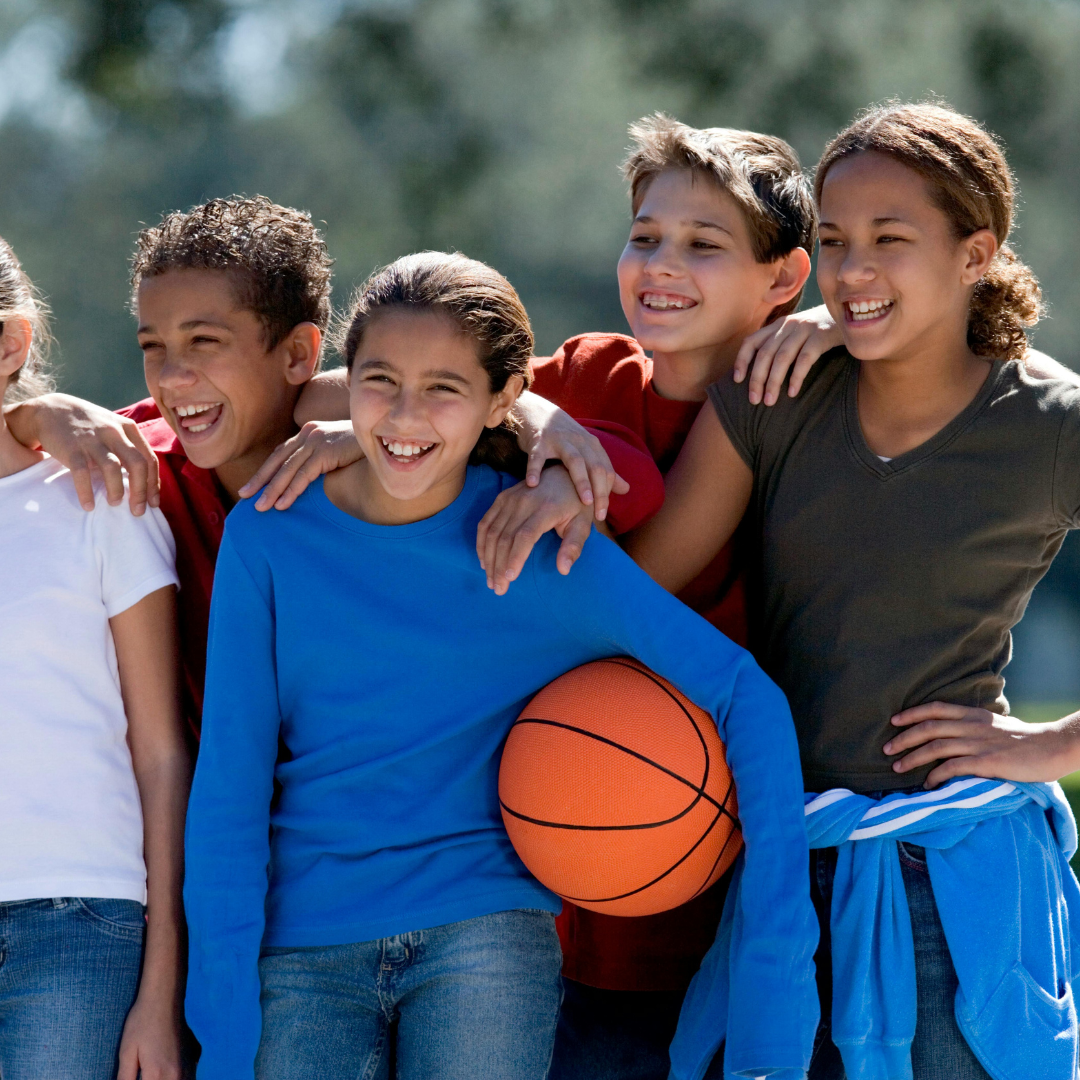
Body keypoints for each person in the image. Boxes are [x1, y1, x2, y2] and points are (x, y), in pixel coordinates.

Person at [183, 251, 819, 1080]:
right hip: (303, 948)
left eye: (444, 388)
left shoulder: (542, 548)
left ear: (503, 401)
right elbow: (229, 787)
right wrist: (224, 1036)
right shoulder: (268, 535)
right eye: (379, 380)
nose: (404, 417)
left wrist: (774, 995)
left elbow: (747, 699)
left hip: (486, 941)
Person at [624, 102, 1080, 1079]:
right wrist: (530, 427)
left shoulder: (1050, 422)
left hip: (953, 894)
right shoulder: (776, 388)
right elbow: (637, 592)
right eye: (833, 242)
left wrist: (1049, 744)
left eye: (890, 241)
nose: (854, 269)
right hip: (781, 871)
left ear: (976, 253)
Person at [2, 198, 658, 736]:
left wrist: (534, 423)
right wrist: (28, 415)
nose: (175, 377)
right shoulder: (141, 468)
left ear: (298, 355)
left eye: (205, 343)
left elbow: (619, 471)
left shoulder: (404, 448)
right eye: (154, 347)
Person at [0, 237, 189, 1078]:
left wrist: (160, 990)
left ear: (12, 343)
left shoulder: (101, 497)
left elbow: (159, 755)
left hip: (77, 928)